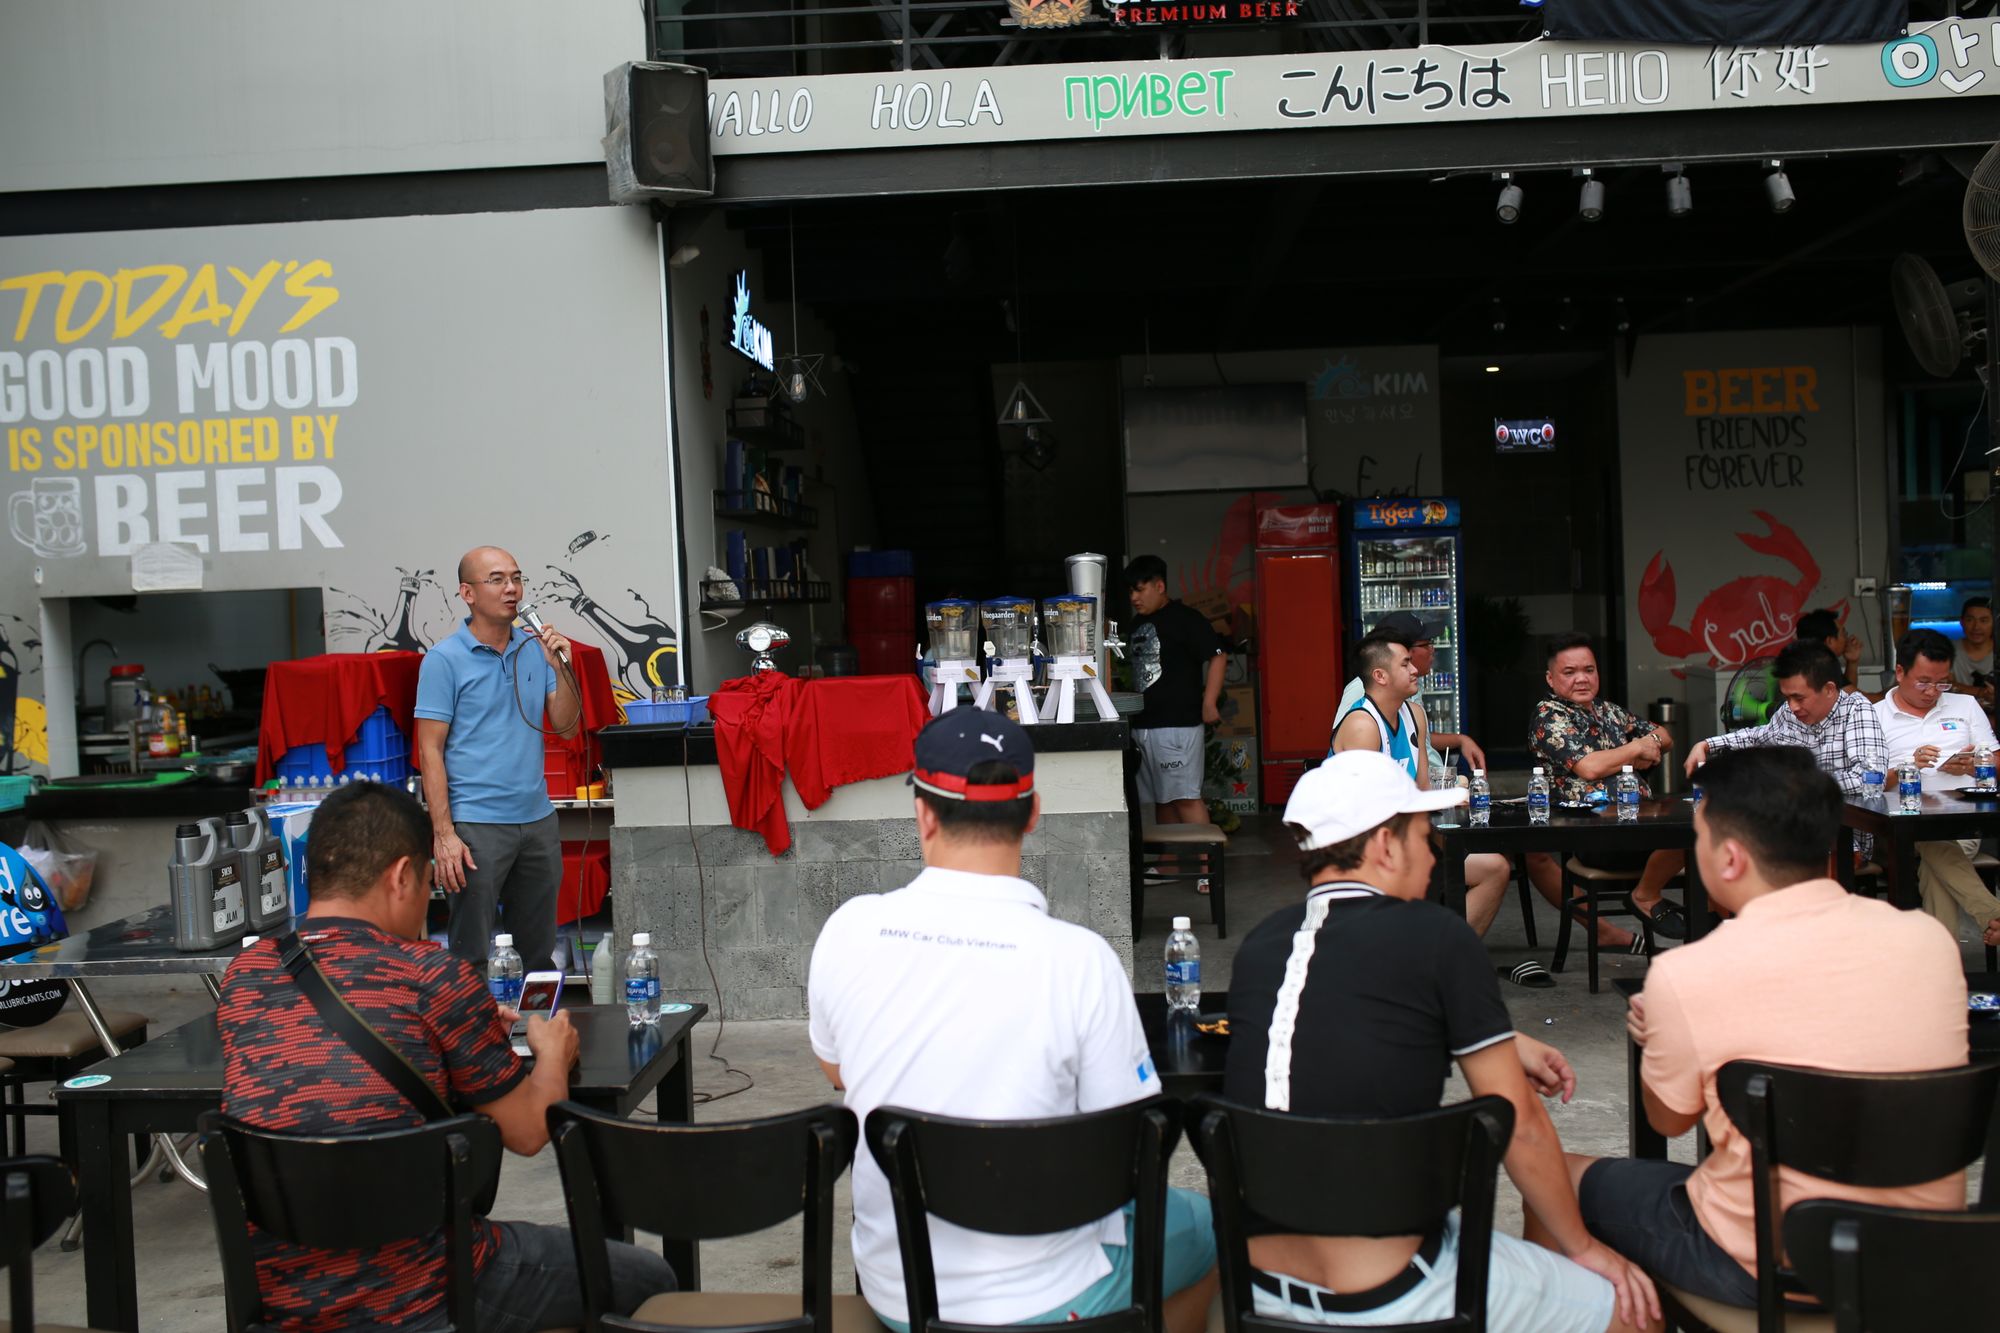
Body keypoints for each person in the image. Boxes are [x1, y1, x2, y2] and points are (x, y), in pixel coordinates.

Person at [808, 709, 1218, 1333]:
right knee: (1211, 1223)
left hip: (899, 1290)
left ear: (923, 814)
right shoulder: (1081, 960)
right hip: (1048, 1292)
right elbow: (1131, 1144)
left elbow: (838, 1070)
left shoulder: (849, 929)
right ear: (1032, 814)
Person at [1224, 752, 1659, 1333]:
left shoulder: (1261, 945)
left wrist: (1494, 1038)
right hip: (1390, 1287)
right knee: (1635, 1312)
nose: (1434, 856)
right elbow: (1521, 1123)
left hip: (1256, 1287)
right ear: (1385, 845)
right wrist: (1584, 1248)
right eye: (1425, 837)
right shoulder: (1436, 934)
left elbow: (1349, 1019)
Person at [217, 783, 676, 1331]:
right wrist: (553, 1053)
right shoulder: (433, 977)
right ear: (402, 876)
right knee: (649, 1281)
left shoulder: (244, 978)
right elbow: (530, 1130)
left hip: (283, 1298)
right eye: (429, 882)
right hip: (424, 1291)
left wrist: (465, 1027)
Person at [1566, 748, 1966, 1311]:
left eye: (1698, 839)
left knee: (1556, 1183)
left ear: (1730, 858)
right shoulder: (1929, 941)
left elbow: (1669, 1120)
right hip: (1922, 1248)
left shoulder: (1688, 974)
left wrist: (1658, 1034)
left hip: (1768, 1265)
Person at [416, 546, 580, 975]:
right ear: (467, 593)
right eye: (497, 580)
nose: (512, 589)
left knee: (538, 955)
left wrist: (561, 668)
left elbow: (566, 728)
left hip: (537, 819)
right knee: (470, 956)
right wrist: (444, 834)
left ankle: (533, 1019)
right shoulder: (444, 660)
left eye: (516, 578)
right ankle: (472, 1021)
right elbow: (429, 751)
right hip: (476, 825)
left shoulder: (534, 648)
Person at [1332, 635, 1516, 959]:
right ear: (1380, 675)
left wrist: (1451, 797)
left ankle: (1443, 958)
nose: (1415, 669)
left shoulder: (1414, 714)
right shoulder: (1363, 725)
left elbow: (1421, 790)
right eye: (1405, 664)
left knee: (1495, 868)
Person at [1528, 634, 1683, 947]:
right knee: (1696, 837)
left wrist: (1644, 745)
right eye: (1570, 672)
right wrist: (1635, 750)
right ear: (1551, 678)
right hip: (1598, 833)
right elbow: (1590, 767)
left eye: (1589, 670)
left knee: (1711, 830)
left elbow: (1665, 736)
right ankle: (1646, 895)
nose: (1582, 678)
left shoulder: (1608, 711)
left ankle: (1710, 931)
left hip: (1641, 822)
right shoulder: (1549, 715)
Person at [1682, 642, 1886, 866]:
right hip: (1788, 830)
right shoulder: (1789, 712)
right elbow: (1758, 736)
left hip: (1842, 837)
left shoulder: (1856, 710)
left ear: (1829, 689)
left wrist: (1800, 784)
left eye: (1799, 698)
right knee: (1707, 838)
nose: (1793, 707)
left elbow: (1871, 777)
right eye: (1787, 697)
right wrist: (1707, 745)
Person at [1873, 628, 2000, 947]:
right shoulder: (1875, 716)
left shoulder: (1966, 705)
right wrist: (1909, 767)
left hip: (1963, 822)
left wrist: (1973, 765)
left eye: (1942, 682)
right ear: (1899, 672)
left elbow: (1996, 761)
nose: (1933, 692)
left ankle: (1942, 965)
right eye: (1923, 682)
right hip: (1900, 825)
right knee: (1931, 839)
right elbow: (1867, 781)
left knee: (1936, 852)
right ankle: (1992, 915)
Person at [1124, 555, 1227, 829]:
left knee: (1185, 799)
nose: (1134, 598)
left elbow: (1218, 656)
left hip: (1178, 727)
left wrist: (1209, 702)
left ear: (1159, 586)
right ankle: (1168, 857)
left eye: (1140, 590)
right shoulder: (1135, 624)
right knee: (1162, 801)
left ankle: (1206, 857)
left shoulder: (1186, 619)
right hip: (1143, 726)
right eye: (1131, 591)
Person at [1334, 611, 1488, 773]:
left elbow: (1412, 737)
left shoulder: (1413, 702)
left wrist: (1460, 740)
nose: (1432, 649)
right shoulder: (1362, 696)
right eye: (1426, 644)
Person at [1792, 607, 1864, 694]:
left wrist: (1852, 662)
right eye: (1843, 634)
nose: (1846, 639)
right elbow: (1855, 698)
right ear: (1830, 641)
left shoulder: (1808, 661)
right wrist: (1881, 694)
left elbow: (1846, 696)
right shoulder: (1821, 667)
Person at [1952, 595, 1996, 710]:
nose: (1976, 627)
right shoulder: (1948, 650)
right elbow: (1945, 684)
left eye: (1984, 620)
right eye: (1970, 620)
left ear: (1995, 623)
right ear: (1961, 622)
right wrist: (1982, 692)